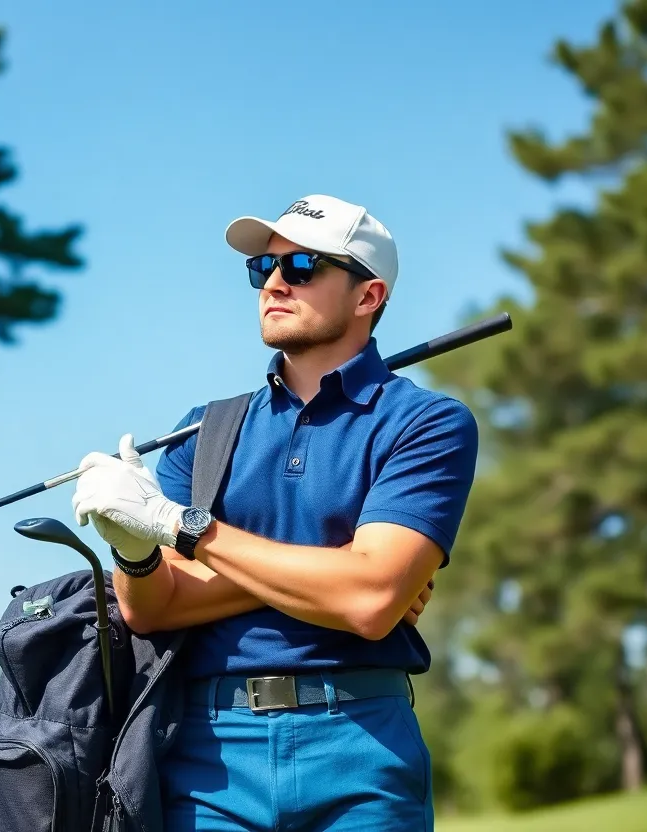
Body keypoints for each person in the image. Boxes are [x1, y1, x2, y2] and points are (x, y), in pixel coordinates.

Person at [70, 193, 480, 831]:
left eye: (304, 267)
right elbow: (153, 607)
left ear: (368, 296)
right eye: (264, 269)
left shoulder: (427, 423)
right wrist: (135, 548)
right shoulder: (202, 434)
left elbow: (370, 603)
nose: (276, 283)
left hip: (360, 746)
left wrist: (184, 529)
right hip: (211, 756)